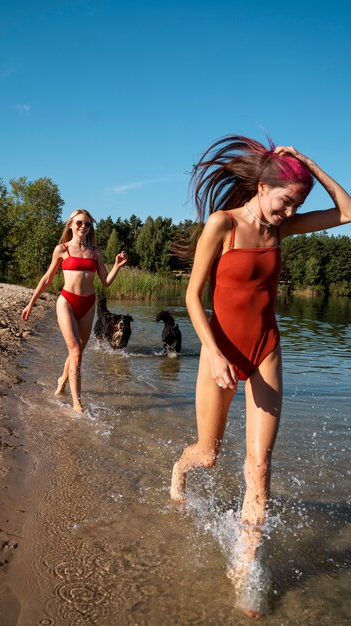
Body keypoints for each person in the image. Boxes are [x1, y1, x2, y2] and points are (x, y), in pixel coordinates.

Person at [169, 135, 351, 616]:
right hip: (220, 353)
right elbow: (192, 297)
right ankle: (177, 471)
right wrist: (210, 351)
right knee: (208, 457)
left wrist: (309, 163)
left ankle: (246, 566)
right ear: (265, 184)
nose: (291, 214)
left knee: (259, 469)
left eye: (299, 206)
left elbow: (348, 212)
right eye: (287, 201)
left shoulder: (280, 231)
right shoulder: (223, 224)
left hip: (266, 349)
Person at [21, 209, 128, 412]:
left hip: (88, 304)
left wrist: (117, 266)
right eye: (79, 223)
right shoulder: (61, 249)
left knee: (76, 353)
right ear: (70, 224)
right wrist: (30, 303)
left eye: (87, 224)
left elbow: (105, 282)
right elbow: (46, 279)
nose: (83, 227)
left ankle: (62, 381)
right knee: (76, 351)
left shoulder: (95, 252)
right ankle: (77, 404)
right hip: (67, 302)